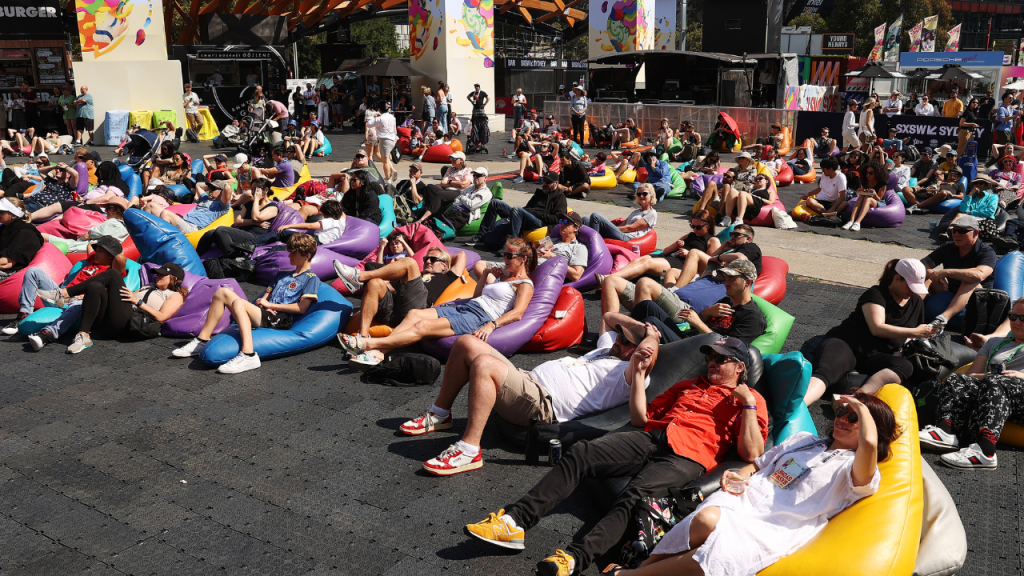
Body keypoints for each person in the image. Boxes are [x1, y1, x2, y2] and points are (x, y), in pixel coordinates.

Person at [464, 336, 768, 576]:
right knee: (582, 452)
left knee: (635, 496)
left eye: (720, 359)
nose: (711, 363)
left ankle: (573, 559)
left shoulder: (751, 400)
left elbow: (752, 453)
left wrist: (748, 406)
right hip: (652, 437)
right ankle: (514, 522)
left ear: (740, 367)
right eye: (710, 357)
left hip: (689, 456)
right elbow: (640, 418)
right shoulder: (689, 386)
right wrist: (637, 374)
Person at [606, 393, 897, 576]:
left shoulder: (854, 469)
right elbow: (759, 464)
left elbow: (870, 443)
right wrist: (741, 475)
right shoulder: (805, 441)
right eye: (841, 412)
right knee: (705, 518)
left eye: (853, 417)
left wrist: (859, 402)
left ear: (870, 425)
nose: (842, 418)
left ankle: (630, 575)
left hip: (776, 525)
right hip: (746, 498)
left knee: (716, 554)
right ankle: (642, 567)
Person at [407, 313, 660, 477]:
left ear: (638, 352)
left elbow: (647, 350)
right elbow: (607, 315)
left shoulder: (631, 372)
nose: (619, 341)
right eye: (621, 337)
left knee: (484, 364)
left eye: (627, 342)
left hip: (542, 406)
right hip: (527, 380)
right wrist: (638, 325)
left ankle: (469, 449)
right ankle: (440, 414)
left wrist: (651, 336)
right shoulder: (608, 349)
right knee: (466, 343)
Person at [339, 238, 537, 369]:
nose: (505, 259)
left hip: (480, 317)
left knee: (422, 326)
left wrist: (491, 325)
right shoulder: (504, 279)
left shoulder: (524, 284)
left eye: (510, 256)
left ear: (523, 259)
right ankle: (378, 354)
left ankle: (368, 345)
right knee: (414, 315)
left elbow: (518, 313)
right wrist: (486, 274)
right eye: (504, 254)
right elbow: (478, 295)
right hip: (469, 307)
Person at [172, 234, 320, 373]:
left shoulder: (311, 279)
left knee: (239, 303)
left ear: (307, 256)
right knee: (221, 292)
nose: (289, 256)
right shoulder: (282, 275)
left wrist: (270, 306)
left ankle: (249, 355)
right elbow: (265, 297)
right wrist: (262, 303)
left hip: (280, 319)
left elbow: (301, 308)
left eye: (294, 253)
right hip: (265, 313)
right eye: (290, 252)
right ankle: (202, 340)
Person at [805, 258, 935, 404]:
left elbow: (912, 334)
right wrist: (914, 332)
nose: (913, 292)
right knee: (825, 373)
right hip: (848, 345)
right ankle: (796, 407)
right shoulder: (876, 294)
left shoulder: (916, 301)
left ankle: (857, 397)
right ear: (897, 278)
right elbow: (876, 328)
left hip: (875, 356)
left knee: (905, 366)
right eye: (910, 286)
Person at [921, 297, 1024, 470]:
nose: (1017, 322)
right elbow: (971, 375)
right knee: (958, 379)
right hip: (994, 389)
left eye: (1023, 318)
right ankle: (947, 431)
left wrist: (1019, 376)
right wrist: (989, 376)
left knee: (999, 381)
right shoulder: (994, 343)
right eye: (1013, 317)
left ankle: (986, 451)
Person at [38, 254, 187, 355]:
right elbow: (125, 300)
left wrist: (138, 302)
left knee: (114, 275)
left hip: (131, 325)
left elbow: (161, 317)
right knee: (95, 287)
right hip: (111, 322)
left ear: (175, 279)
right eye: (157, 273)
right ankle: (83, 335)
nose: (158, 275)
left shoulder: (175, 295)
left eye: (162, 274)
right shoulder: (147, 286)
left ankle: (62, 294)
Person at [616, 259, 766, 346]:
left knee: (650, 321)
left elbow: (730, 347)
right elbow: (696, 321)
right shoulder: (727, 300)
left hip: (693, 348)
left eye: (732, 279)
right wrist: (705, 314)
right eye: (726, 277)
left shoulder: (752, 316)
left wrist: (699, 323)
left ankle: (625, 344)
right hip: (687, 335)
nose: (726, 282)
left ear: (747, 282)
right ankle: (622, 341)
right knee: (646, 306)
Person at [9, 235, 121, 344]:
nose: (96, 252)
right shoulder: (92, 259)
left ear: (111, 256)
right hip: (60, 295)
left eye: (100, 251)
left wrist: (86, 296)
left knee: (80, 301)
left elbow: (120, 261)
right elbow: (90, 245)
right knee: (33, 271)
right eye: (97, 250)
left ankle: (50, 333)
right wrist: (104, 241)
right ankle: (24, 314)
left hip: (80, 301)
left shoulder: (111, 273)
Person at [334, 247, 468, 337]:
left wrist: (445, 258)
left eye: (433, 259)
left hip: (416, 309)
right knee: (375, 283)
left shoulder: (447, 277)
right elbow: (386, 288)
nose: (427, 261)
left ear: (445, 265)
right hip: (393, 311)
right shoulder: (411, 275)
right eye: (425, 259)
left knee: (410, 262)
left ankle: (360, 277)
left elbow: (461, 255)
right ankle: (362, 338)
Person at [599, 210, 720, 287]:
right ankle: (612, 281)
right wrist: (675, 246)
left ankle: (610, 279)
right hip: (667, 256)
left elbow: (710, 264)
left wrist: (690, 254)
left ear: (708, 225)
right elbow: (666, 250)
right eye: (692, 226)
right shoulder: (690, 235)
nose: (694, 229)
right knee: (638, 260)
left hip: (679, 264)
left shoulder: (712, 240)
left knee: (646, 262)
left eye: (698, 227)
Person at [921, 215, 997, 323]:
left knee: (971, 280)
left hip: (976, 299)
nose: (956, 234)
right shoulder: (948, 247)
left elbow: (979, 275)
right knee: (925, 276)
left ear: (976, 232)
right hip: (951, 292)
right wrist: (932, 274)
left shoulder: (987, 252)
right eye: (954, 231)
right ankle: (913, 309)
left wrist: (945, 272)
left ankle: (943, 319)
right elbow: (922, 264)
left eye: (962, 231)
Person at [470, 172, 567, 246]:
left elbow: (557, 218)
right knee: (495, 202)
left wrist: (536, 213)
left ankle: (513, 244)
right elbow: (527, 207)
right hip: (527, 216)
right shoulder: (539, 193)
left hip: (539, 222)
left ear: (556, 183)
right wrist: (522, 212)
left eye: (548, 182)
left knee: (517, 209)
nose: (545, 184)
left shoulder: (559, 197)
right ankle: (481, 236)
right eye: (544, 181)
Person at [141, 175, 231, 235]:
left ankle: (156, 238)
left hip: (193, 228)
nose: (210, 190)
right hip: (183, 222)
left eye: (214, 189)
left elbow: (227, 188)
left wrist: (224, 184)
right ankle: (143, 232)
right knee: (150, 205)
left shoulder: (221, 206)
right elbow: (198, 185)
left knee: (166, 213)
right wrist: (210, 186)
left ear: (221, 192)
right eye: (210, 188)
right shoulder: (205, 198)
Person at [583, 183, 656, 241]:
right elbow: (623, 224)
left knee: (595, 216)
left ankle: (594, 243)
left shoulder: (651, 213)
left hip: (628, 237)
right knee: (585, 219)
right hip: (622, 233)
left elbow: (630, 228)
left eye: (645, 194)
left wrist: (608, 229)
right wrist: (610, 229)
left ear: (651, 196)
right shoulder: (636, 211)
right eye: (639, 194)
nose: (641, 196)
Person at [841, 161, 888, 231]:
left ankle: (857, 222)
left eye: (871, 173)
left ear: (877, 173)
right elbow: (861, 193)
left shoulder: (882, 182)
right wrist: (860, 191)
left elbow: (879, 199)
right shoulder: (865, 181)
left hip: (879, 202)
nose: (868, 175)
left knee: (867, 198)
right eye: (867, 173)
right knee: (862, 196)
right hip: (865, 199)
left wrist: (874, 194)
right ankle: (851, 221)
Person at [368, 102, 397, 182]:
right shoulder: (392, 117)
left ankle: (388, 179)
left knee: (385, 161)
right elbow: (395, 129)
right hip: (392, 139)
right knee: (387, 158)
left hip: (385, 140)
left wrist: (372, 116)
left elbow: (369, 124)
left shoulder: (380, 118)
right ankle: (391, 171)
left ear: (379, 109)